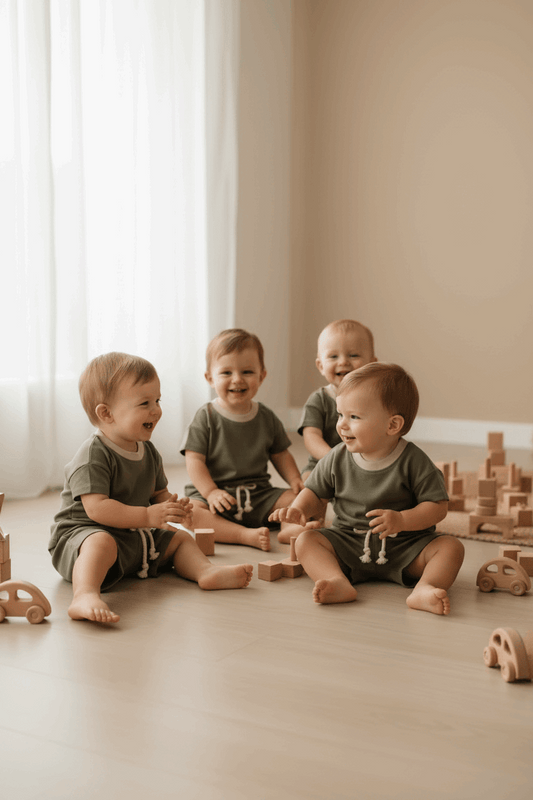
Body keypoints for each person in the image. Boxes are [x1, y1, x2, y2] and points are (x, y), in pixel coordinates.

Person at [49, 352, 253, 625]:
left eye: (157, 400)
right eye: (144, 403)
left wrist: (175, 508)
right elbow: (96, 508)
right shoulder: (93, 455)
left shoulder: (148, 451)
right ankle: (84, 594)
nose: (155, 410)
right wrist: (147, 516)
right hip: (83, 538)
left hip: (132, 536)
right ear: (106, 413)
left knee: (180, 539)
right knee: (101, 542)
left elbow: (158, 494)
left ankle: (205, 571)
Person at [270, 362, 465, 615]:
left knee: (451, 548)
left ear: (392, 426)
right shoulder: (336, 457)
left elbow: (438, 507)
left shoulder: (414, 461)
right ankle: (336, 580)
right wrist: (298, 509)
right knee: (307, 540)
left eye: (354, 417)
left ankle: (425, 588)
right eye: (340, 414)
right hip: (349, 542)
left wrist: (403, 520)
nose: (341, 424)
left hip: (404, 547)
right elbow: (314, 491)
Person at [181, 329, 305, 550]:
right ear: (210, 378)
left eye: (247, 371)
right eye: (226, 372)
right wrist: (210, 492)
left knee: (299, 500)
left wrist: (295, 480)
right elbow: (194, 460)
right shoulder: (206, 417)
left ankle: (288, 529)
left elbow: (281, 454)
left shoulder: (266, 417)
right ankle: (242, 535)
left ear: (262, 375)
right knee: (190, 512)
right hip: (215, 494)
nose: (237, 379)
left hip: (257, 493)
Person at [277, 319, 378, 544]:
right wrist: (333, 458)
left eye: (353, 355)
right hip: (322, 465)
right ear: (321, 365)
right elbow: (311, 436)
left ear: (372, 363)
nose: (343, 362)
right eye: (333, 357)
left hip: (364, 465)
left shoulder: (375, 401)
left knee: (379, 491)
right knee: (307, 492)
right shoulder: (319, 399)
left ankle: (359, 527)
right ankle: (296, 526)